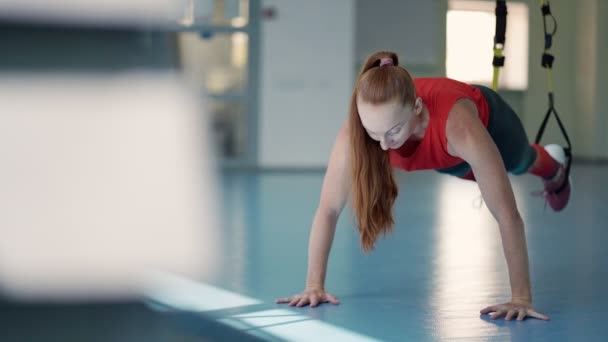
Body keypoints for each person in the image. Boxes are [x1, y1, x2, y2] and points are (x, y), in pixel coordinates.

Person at [276, 51, 570, 321]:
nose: (383, 144)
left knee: (519, 163)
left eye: (393, 131)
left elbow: (507, 214)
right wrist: (313, 285)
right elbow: (327, 209)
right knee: (469, 174)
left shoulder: (460, 128)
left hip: (491, 125)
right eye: (372, 132)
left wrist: (521, 297)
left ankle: (554, 164)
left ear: (416, 107)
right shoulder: (356, 136)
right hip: (447, 156)